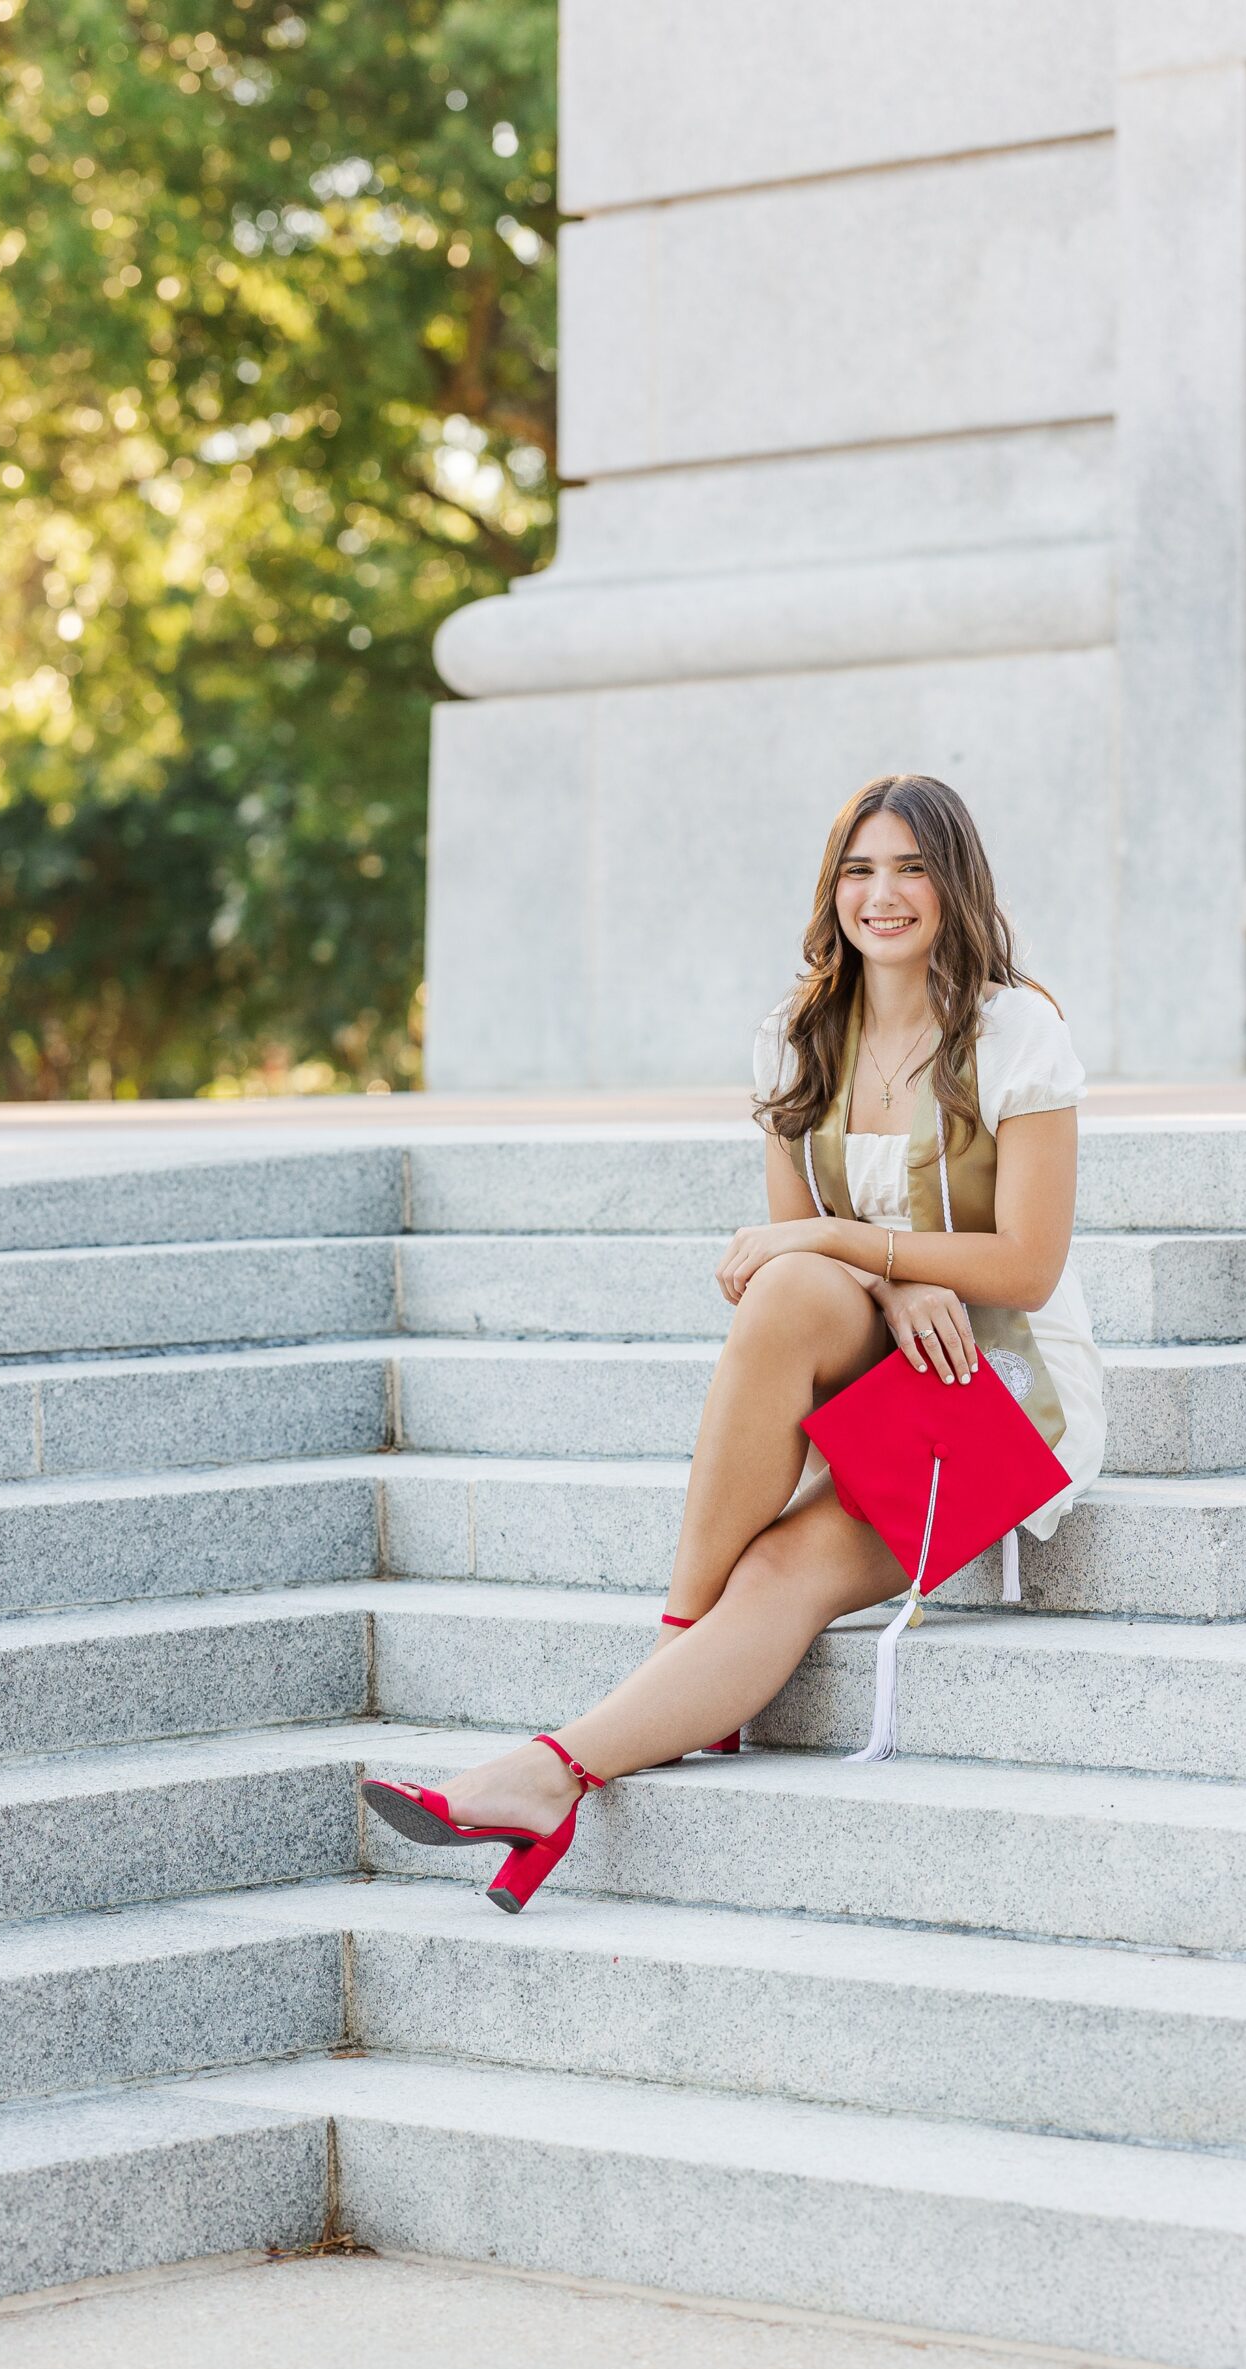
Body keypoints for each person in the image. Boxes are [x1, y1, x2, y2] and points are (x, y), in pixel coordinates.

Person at [365, 772, 1106, 1909]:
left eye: (912, 867)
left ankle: (582, 1745)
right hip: (878, 1353)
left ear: (956, 887)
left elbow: (1025, 1266)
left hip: (999, 1389)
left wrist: (844, 1242)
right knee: (791, 1291)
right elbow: (786, 1270)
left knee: (779, 1563)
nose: (884, 892)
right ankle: (621, 1711)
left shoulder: (1017, 1034)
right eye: (860, 869)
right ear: (833, 889)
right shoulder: (798, 1035)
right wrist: (867, 1266)